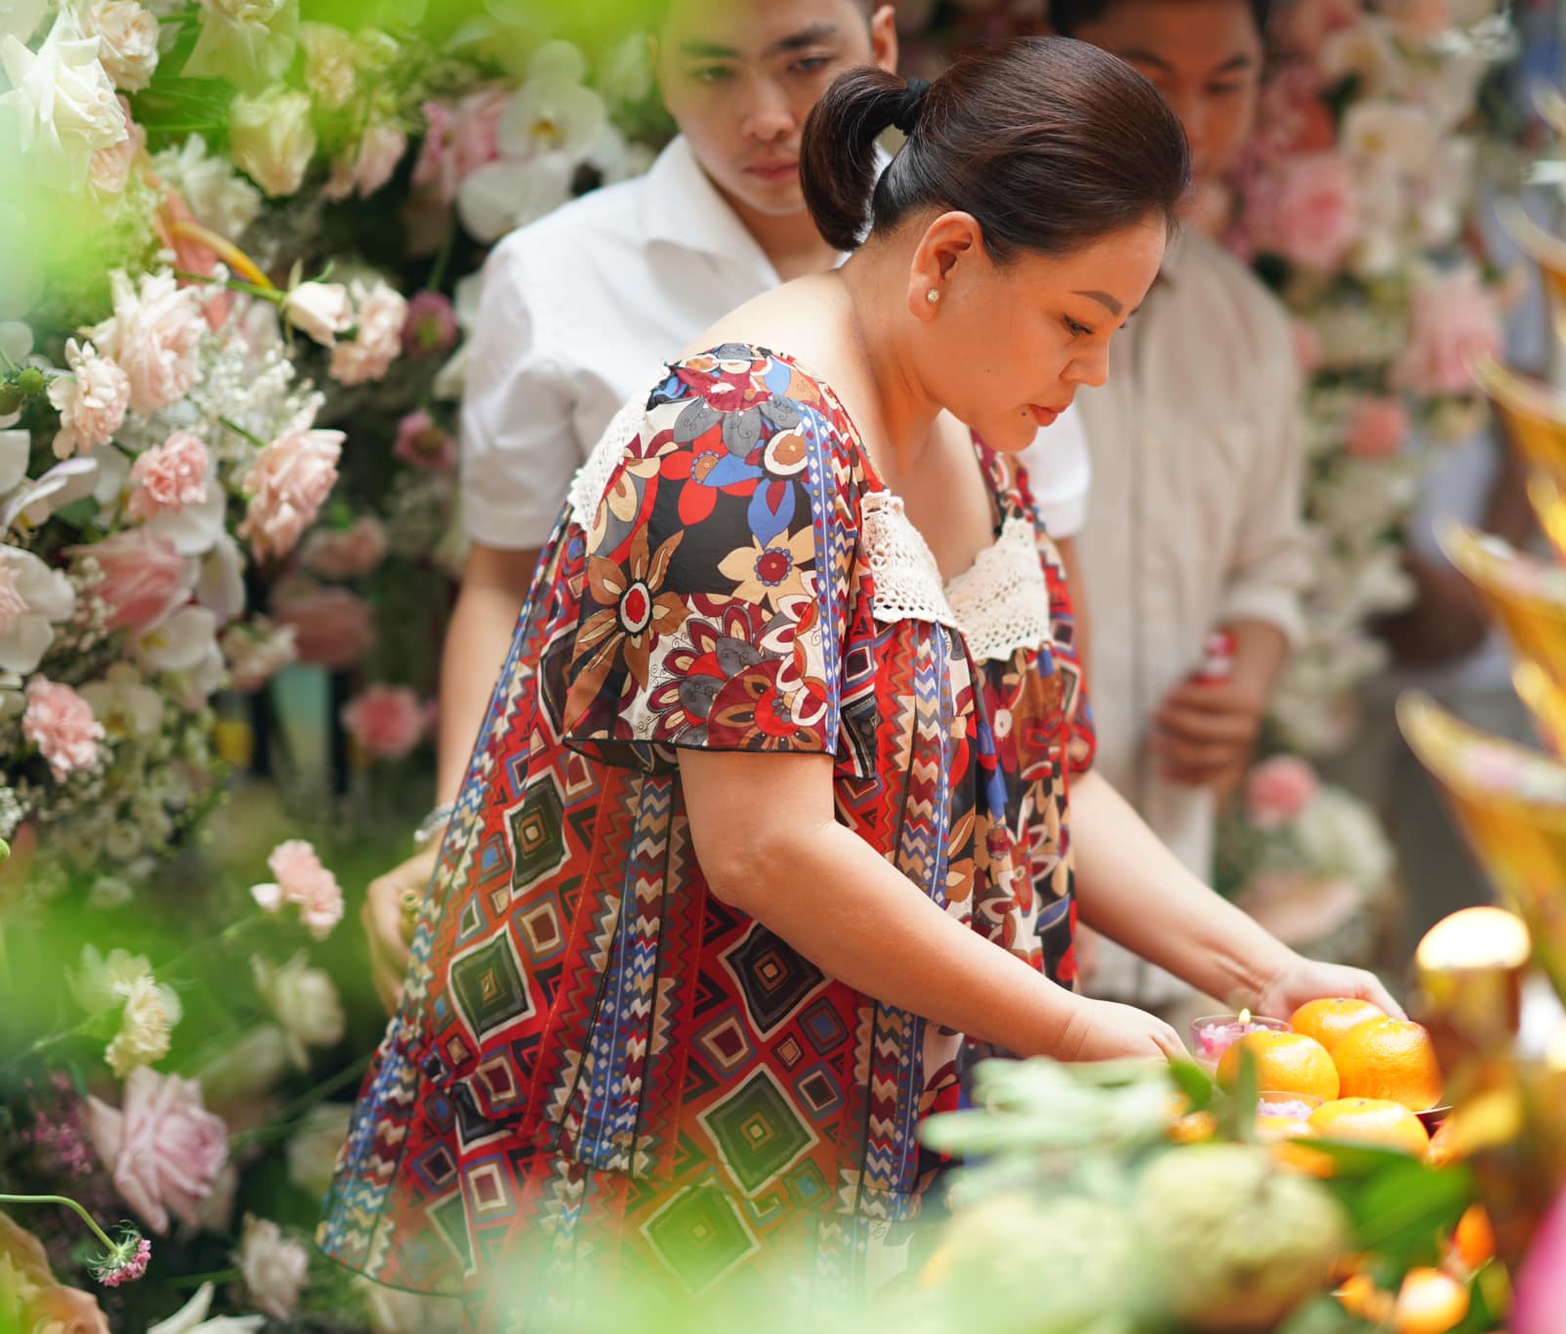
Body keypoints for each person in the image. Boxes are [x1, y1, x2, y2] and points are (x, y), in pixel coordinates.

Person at [320, 38, 1396, 1324]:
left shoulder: (959, 420)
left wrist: (1261, 971)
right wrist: (1062, 1024)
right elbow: (766, 848)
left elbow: (1043, 777)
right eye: (1075, 322)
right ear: (944, 258)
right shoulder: (745, 436)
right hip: (683, 1160)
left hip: (890, 1150)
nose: (1092, 371)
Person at [359, 0, 1095, 1006]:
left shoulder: (1005, 269)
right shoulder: (559, 279)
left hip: (953, 933)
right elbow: (505, 583)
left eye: (803, 63)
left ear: (879, 45)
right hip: (668, 923)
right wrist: (458, 831)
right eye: (710, 70)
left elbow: (1033, 640)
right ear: (651, 67)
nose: (760, 115)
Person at [1047, 0, 1317, 1014]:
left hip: (1173, 906)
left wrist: (1244, 683)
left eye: (1226, 83)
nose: (1190, 123)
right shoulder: (974, 300)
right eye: (1149, 75)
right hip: (990, 906)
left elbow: (1268, 560)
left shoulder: (1246, 327)